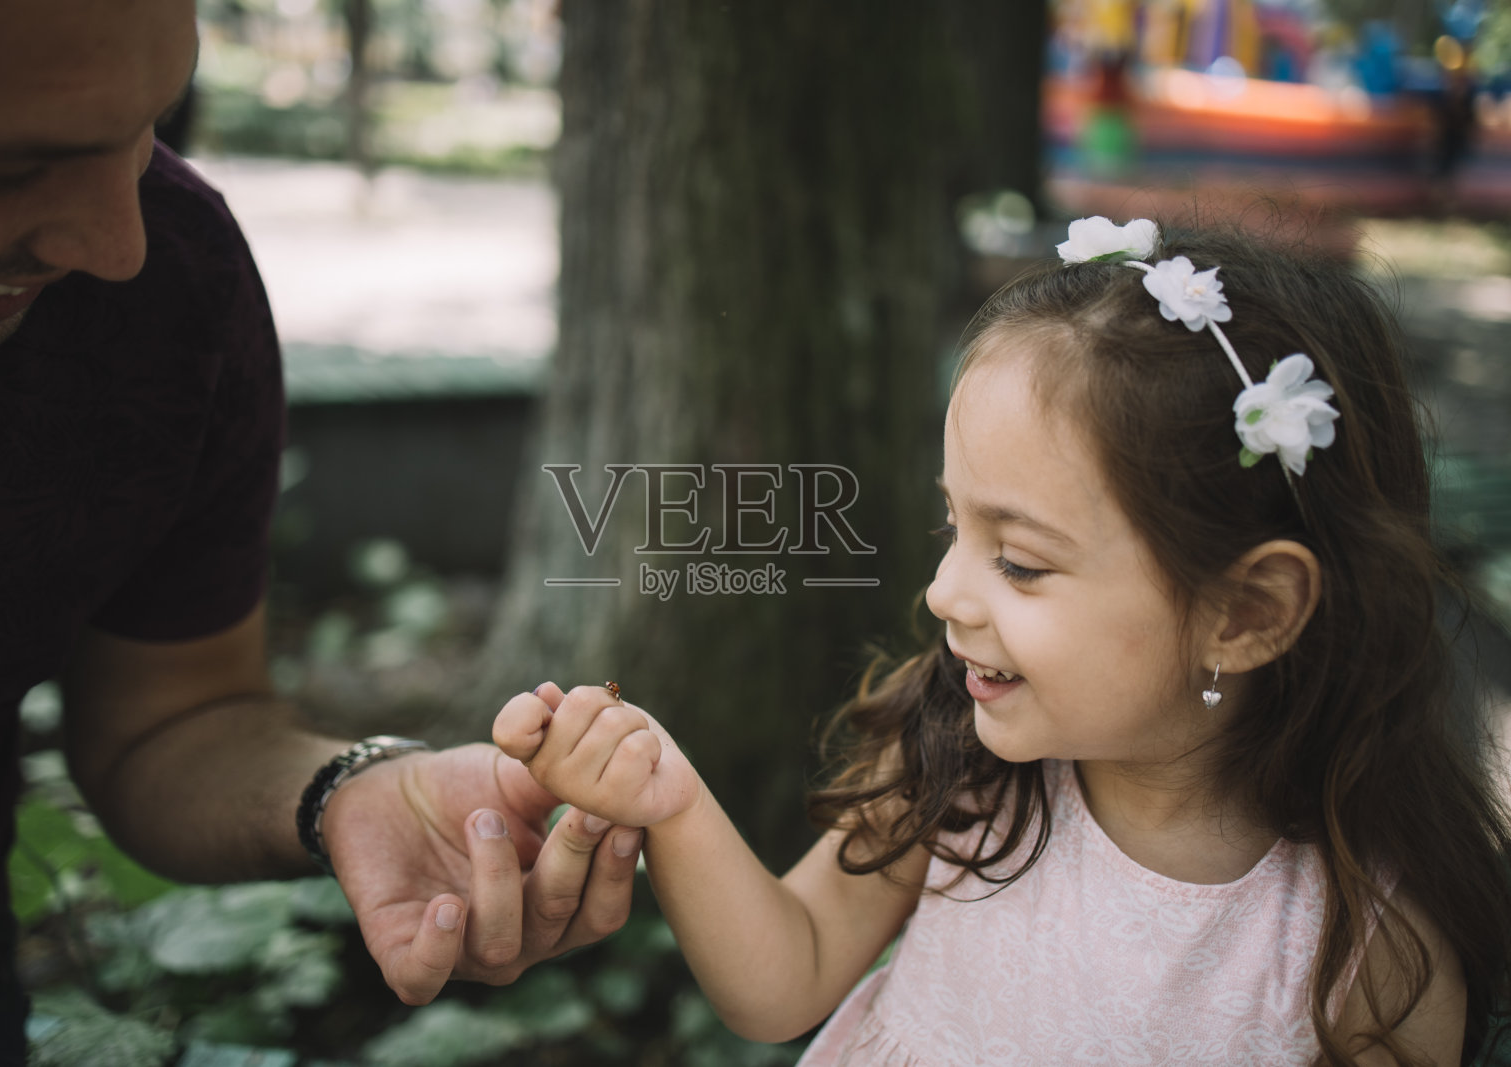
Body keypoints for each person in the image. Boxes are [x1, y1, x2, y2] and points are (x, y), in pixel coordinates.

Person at [496, 217, 1511, 1064]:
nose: (944, 592)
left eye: (1019, 561)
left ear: (1245, 613)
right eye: (953, 527)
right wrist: (668, 796)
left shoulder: (1364, 952)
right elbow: (786, 972)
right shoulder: (957, 765)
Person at [0, 1, 636, 1062]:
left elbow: (174, 714)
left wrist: (353, 789)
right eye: (2, 168)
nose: (117, 243)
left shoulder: (172, 281)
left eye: (151, 127)